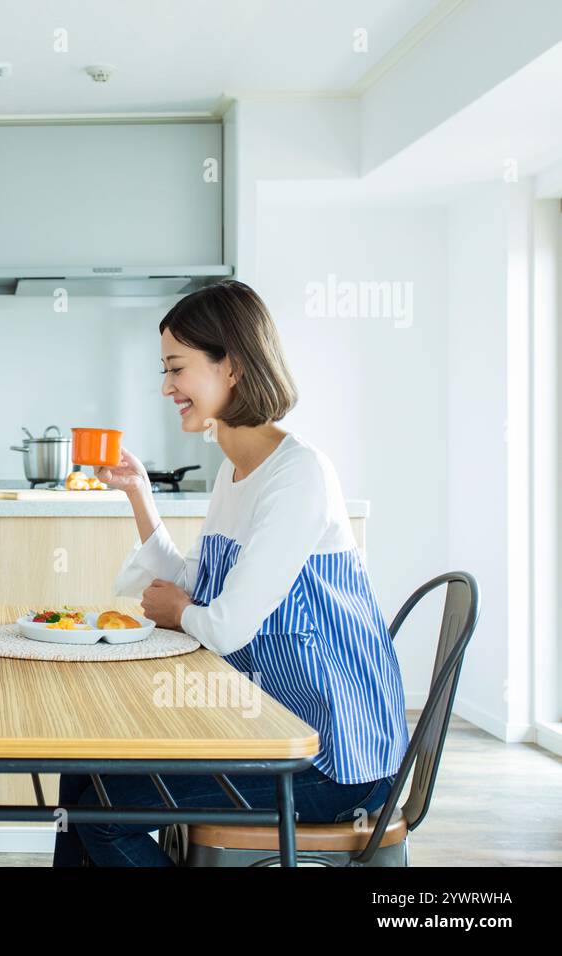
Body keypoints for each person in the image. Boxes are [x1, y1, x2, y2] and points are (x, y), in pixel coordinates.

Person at [54, 279, 408, 866]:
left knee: (101, 814)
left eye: (177, 369)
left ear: (233, 367)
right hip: (268, 735)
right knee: (79, 774)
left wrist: (178, 612)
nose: (166, 387)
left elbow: (227, 625)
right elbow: (200, 584)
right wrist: (140, 495)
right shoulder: (236, 472)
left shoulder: (298, 476)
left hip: (333, 760)